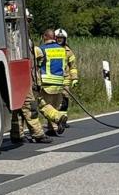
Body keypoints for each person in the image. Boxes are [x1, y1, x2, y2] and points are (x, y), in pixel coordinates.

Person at [11, 11, 52, 144]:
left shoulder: (16, 36)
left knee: (17, 107)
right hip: (21, 77)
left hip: (16, 77)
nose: (28, 24)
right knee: (30, 105)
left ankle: (17, 134)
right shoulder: (20, 38)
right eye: (27, 21)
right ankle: (38, 134)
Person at [36, 29, 70, 135]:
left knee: (44, 105)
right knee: (54, 107)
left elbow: (35, 64)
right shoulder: (62, 50)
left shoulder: (40, 49)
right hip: (59, 83)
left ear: (44, 37)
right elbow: (64, 66)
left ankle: (59, 118)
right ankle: (53, 129)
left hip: (46, 83)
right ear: (54, 38)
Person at [54, 28, 79, 116]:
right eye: (58, 38)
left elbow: (73, 66)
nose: (59, 40)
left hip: (65, 79)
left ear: (65, 39)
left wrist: (74, 78)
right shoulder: (50, 49)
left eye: (62, 38)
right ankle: (54, 119)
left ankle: (63, 118)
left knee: (64, 98)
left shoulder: (68, 51)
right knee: (53, 100)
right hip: (52, 79)